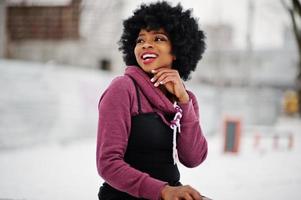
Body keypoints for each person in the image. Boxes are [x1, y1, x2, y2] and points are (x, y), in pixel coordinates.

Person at [96, 1, 208, 200]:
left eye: (158, 38)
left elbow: (193, 158)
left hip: (172, 193)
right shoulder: (123, 89)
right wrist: (163, 191)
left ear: (177, 50)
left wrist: (184, 102)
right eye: (140, 40)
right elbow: (108, 164)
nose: (146, 44)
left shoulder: (186, 99)